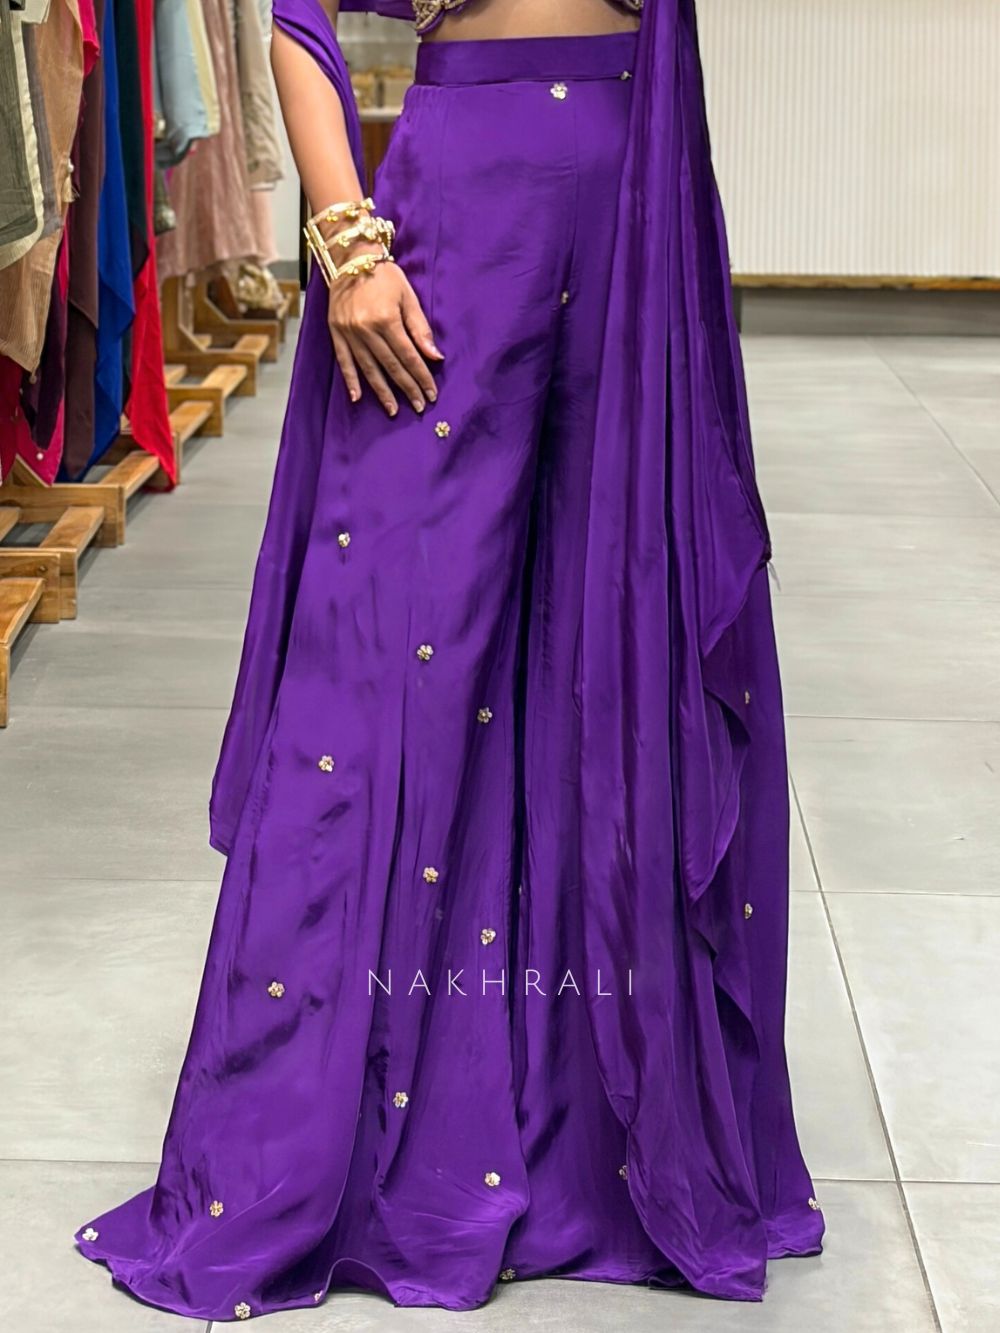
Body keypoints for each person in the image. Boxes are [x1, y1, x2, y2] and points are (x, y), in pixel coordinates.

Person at [74, 0, 825, 1322]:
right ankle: (320, 1138)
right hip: (453, 215)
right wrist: (345, 237)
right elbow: (297, 13)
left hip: (633, 200)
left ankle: (585, 1138)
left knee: (608, 647)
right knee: (382, 657)